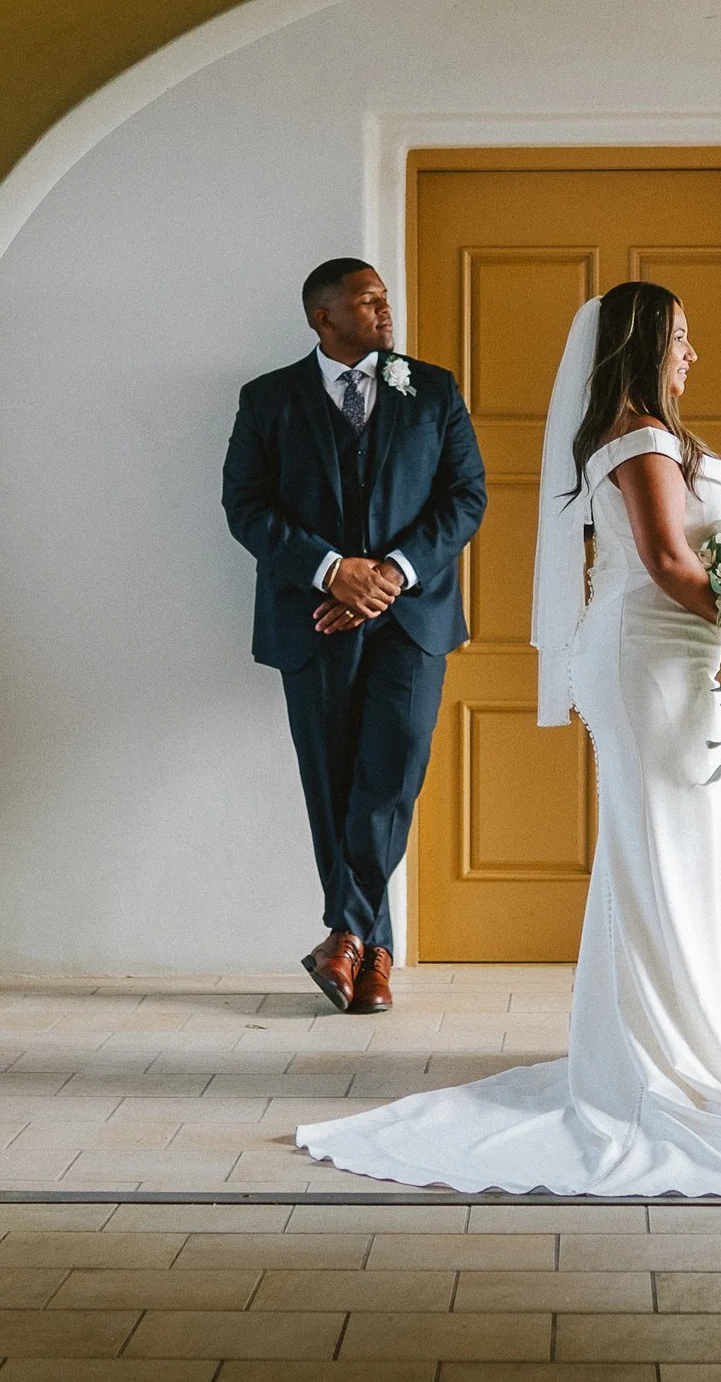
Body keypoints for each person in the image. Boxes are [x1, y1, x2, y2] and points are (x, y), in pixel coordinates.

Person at [297, 282, 721, 1193]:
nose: (692, 354)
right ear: (645, 344)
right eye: (681, 338)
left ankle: (661, 1029)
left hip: (668, 655)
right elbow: (665, 559)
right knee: (664, 840)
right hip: (647, 655)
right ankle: (659, 1050)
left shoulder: (646, 435)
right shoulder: (642, 438)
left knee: (677, 840)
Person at [222, 258, 487, 1015]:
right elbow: (244, 506)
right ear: (322, 316)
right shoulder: (268, 399)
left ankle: (344, 932)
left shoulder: (431, 389)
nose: (384, 309)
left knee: (392, 768)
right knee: (334, 785)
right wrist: (332, 570)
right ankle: (372, 958)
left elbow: (467, 496)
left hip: (413, 615)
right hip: (313, 618)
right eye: (366, 300)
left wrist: (389, 575)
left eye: (385, 298)